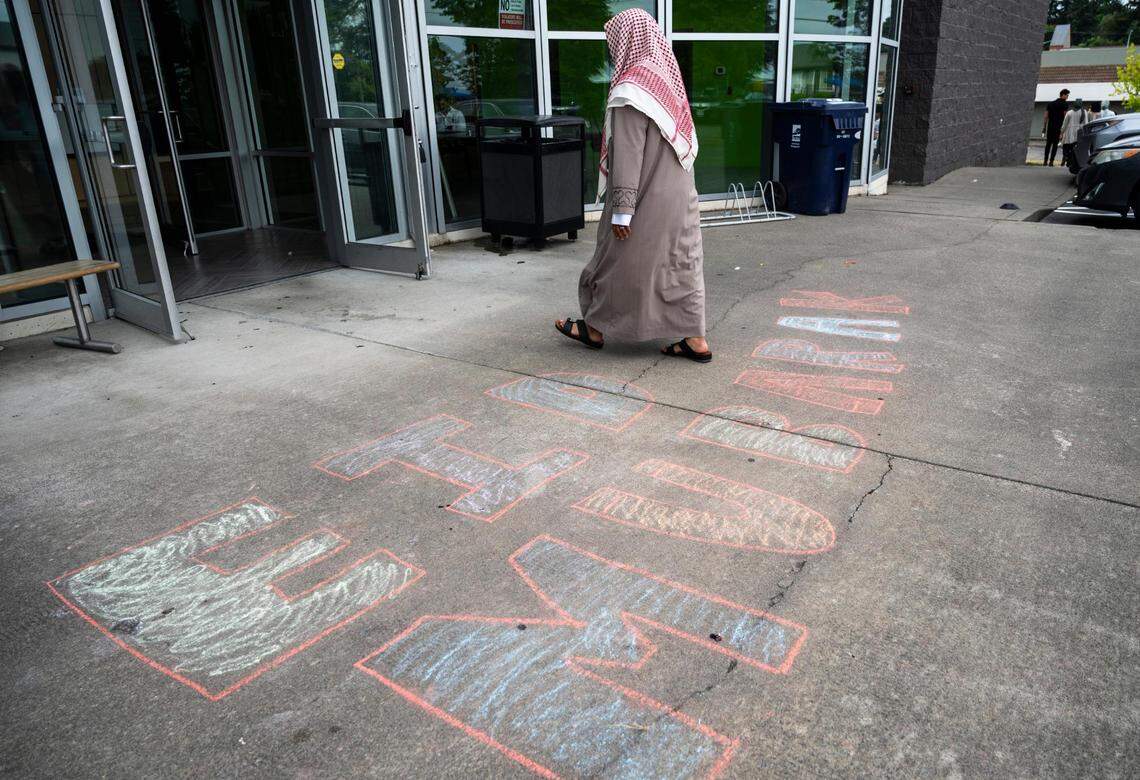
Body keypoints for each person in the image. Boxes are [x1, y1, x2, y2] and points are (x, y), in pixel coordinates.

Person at [554, 9, 710, 363]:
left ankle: (594, 328)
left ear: (627, 39)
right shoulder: (667, 82)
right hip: (680, 195)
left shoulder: (631, 89)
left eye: (614, 41)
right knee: (680, 263)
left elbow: (628, 153)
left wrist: (623, 211)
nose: (612, 50)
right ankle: (696, 338)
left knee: (613, 260)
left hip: (644, 195)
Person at [1042, 89, 1069, 167]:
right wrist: (1063, 130)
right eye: (1067, 95)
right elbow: (1065, 117)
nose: (1067, 97)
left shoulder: (1050, 104)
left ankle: (1045, 161)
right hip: (1058, 127)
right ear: (1063, 95)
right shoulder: (1065, 105)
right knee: (1055, 145)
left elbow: (1046, 116)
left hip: (1050, 127)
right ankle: (1051, 162)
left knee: (1048, 144)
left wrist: (1044, 127)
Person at [1060, 98, 1089, 169]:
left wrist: (1061, 132)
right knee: (1076, 149)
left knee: (1067, 148)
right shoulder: (1084, 112)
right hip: (1079, 133)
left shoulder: (1069, 112)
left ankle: (1066, 159)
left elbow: (1064, 124)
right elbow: (1086, 123)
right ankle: (1072, 162)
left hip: (1069, 133)